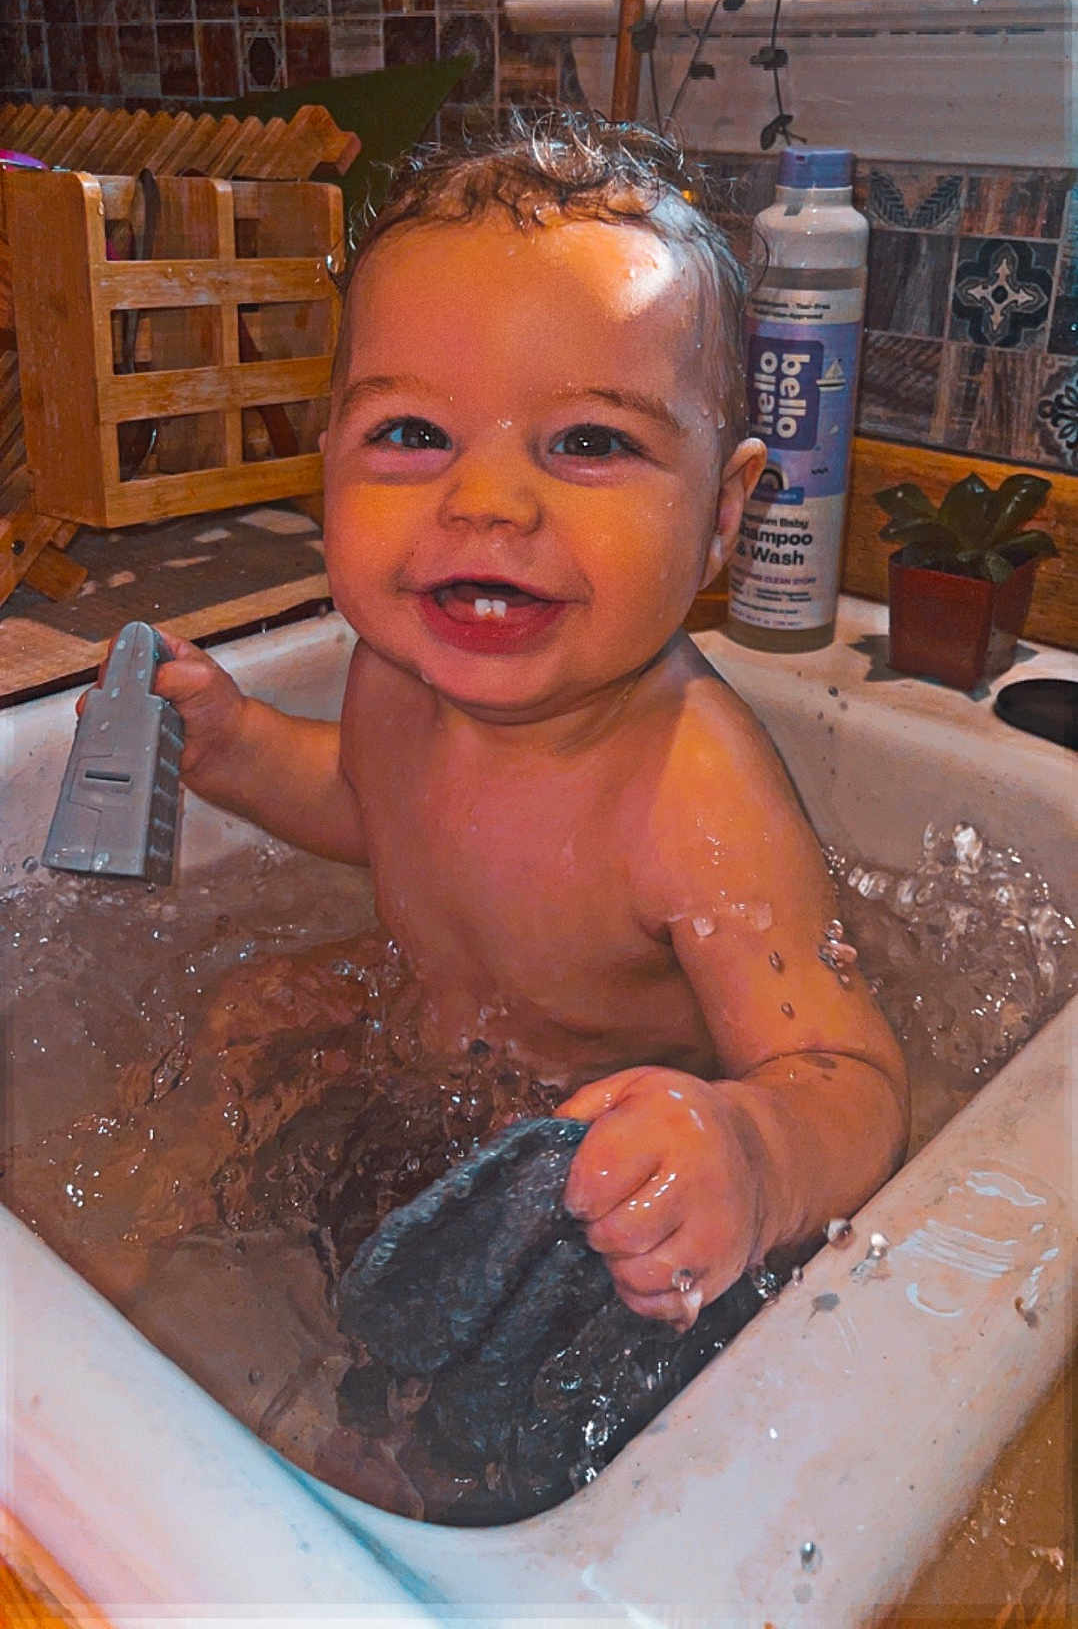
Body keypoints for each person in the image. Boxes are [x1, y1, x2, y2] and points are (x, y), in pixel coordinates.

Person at [144, 113, 909, 1333]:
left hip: (591, 1166)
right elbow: (367, 803)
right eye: (411, 434)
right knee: (248, 1012)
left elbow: (851, 1081)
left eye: (589, 442)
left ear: (722, 516)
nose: (487, 501)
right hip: (427, 1044)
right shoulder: (396, 676)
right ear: (327, 459)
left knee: (464, 1410)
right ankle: (147, 1284)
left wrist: (752, 1154)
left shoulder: (688, 790)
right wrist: (235, 749)